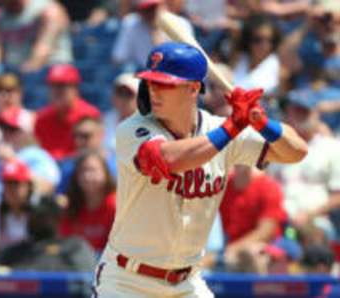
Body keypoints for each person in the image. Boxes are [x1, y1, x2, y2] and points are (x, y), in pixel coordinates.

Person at [93, 42, 307, 297]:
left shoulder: (220, 131)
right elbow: (171, 158)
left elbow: (295, 151)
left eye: (164, 84)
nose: (154, 91)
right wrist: (232, 127)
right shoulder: (133, 129)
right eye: (150, 83)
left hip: (187, 282)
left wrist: (261, 121)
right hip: (127, 280)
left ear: (194, 88)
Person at [268, 95, 340, 239]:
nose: (299, 116)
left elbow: (338, 195)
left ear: (316, 115)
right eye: (294, 111)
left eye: (304, 111)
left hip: (317, 221)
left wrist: (309, 214)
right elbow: (266, 186)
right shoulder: (274, 148)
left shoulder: (332, 147)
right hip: (278, 221)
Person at [0, 194, 97, 272]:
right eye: (31, 215)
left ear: (56, 217)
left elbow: (85, 280)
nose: (35, 219)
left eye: (41, 216)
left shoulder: (73, 246)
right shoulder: (16, 252)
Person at [34, 64, 100, 160]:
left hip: (79, 167)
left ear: (75, 88)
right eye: (53, 86)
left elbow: (94, 151)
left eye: (62, 86)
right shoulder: (42, 117)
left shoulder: (89, 114)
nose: (56, 91)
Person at [0, 0, 72, 72]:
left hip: (53, 71)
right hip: (16, 74)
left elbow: (44, 50)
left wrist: (25, 73)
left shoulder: (47, 9)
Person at [0, 106, 60, 194]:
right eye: (3, 128)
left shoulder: (37, 155)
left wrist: (13, 162)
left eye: (12, 129)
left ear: (27, 132)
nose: (6, 133)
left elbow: (48, 187)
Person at [59, 151, 116, 252]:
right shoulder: (71, 207)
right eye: (83, 171)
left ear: (105, 173)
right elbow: (64, 243)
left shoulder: (116, 206)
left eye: (93, 170)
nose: (87, 176)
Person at [220, 166, 286, 252]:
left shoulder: (269, 187)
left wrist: (227, 251)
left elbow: (265, 232)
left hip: (251, 251)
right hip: (223, 245)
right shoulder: (223, 182)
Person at [112, 0, 193, 68]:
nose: (151, 13)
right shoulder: (131, 22)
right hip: (140, 73)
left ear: (163, 6)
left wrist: (163, 47)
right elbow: (118, 59)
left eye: (154, 8)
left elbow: (188, 60)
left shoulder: (181, 23)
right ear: (139, 10)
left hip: (171, 73)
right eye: (146, 9)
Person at [56, 116, 117, 194]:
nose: (78, 141)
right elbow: (61, 195)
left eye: (85, 136)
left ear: (101, 135)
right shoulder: (68, 166)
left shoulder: (118, 163)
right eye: (75, 136)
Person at [0, 160, 34, 249]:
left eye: (16, 183)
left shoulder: (38, 211)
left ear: (28, 186)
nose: (11, 189)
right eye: (7, 183)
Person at [232, 15, 281, 95]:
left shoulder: (279, 67)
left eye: (270, 40)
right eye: (258, 40)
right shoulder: (238, 58)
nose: (264, 46)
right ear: (248, 40)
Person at [103, 73, 140, 152]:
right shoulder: (104, 120)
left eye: (129, 94)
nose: (123, 99)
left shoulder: (148, 123)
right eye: (120, 93)